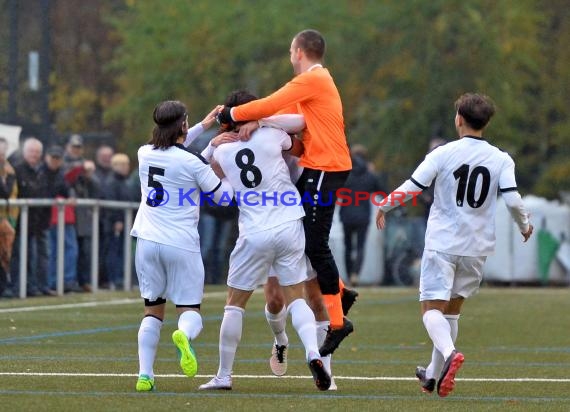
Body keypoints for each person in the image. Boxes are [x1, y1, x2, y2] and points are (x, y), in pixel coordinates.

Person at [376, 93, 534, 398]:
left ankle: (450, 354)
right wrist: (525, 225)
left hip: (443, 243)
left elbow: (413, 186)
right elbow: (513, 199)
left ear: (458, 119)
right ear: (486, 122)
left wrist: (385, 206)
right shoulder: (501, 158)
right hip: (477, 246)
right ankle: (431, 376)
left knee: (430, 309)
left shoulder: (442, 153)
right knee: (451, 312)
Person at [216, 28, 353, 358]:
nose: (290, 57)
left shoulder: (313, 78)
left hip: (326, 166)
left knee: (316, 244)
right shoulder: (312, 87)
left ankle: (338, 321)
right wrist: (258, 122)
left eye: (291, 52)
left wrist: (229, 116)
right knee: (308, 240)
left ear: (299, 52)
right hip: (314, 172)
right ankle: (341, 296)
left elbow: (271, 104)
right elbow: (284, 114)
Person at [198, 90, 330, 391]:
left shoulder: (221, 150)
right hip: (289, 224)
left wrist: (210, 147)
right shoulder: (272, 132)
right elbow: (300, 129)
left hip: (254, 231)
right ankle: (312, 353)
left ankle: (224, 375)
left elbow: (211, 185)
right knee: (296, 297)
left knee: (234, 305)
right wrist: (263, 121)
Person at [130, 100, 233, 392]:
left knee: (152, 310)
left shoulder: (143, 153)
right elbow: (223, 197)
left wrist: (205, 126)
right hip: (180, 244)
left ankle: (145, 375)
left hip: (147, 241)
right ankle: (184, 335)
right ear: (183, 125)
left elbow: (176, 149)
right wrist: (220, 158)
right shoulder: (193, 162)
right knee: (190, 310)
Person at [10, 137, 51, 296]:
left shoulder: (42, 171)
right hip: (20, 221)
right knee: (19, 256)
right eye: (32, 151)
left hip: (37, 222)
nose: (34, 154)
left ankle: (32, 286)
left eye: (37, 152)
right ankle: (17, 286)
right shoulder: (17, 169)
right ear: (24, 152)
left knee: (34, 256)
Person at [339, 145, 384, 286]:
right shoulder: (370, 176)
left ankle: (347, 275)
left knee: (347, 246)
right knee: (360, 246)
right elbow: (383, 191)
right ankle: (355, 274)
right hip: (363, 216)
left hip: (346, 214)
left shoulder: (345, 173)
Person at [63, 134, 100, 292]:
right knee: (70, 249)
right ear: (68, 147)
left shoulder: (86, 165)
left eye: (78, 147)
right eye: (73, 147)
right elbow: (66, 179)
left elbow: (97, 188)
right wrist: (80, 168)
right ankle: (68, 280)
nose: (76, 150)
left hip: (83, 214)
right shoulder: (64, 162)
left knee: (84, 250)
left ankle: (83, 280)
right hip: (69, 212)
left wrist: (89, 175)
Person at [44, 145, 79, 294]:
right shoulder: (42, 173)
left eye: (58, 158)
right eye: (53, 158)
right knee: (52, 251)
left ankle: (65, 281)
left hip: (61, 217)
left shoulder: (61, 175)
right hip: (48, 218)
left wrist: (70, 195)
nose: (55, 161)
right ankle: (52, 281)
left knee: (68, 249)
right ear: (47, 157)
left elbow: (66, 189)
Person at [102, 153, 134, 290]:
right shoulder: (112, 182)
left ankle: (122, 278)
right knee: (114, 251)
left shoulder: (123, 182)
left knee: (123, 251)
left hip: (125, 222)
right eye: (123, 164)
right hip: (115, 223)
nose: (126, 167)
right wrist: (117, 220)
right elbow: (112, 201)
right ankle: (115, 279)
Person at [0, 137, 18, 298]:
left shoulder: (10, 169)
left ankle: (5, 285)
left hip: (5, 218)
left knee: (5, 253)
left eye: (4, 150)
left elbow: (7, 192)